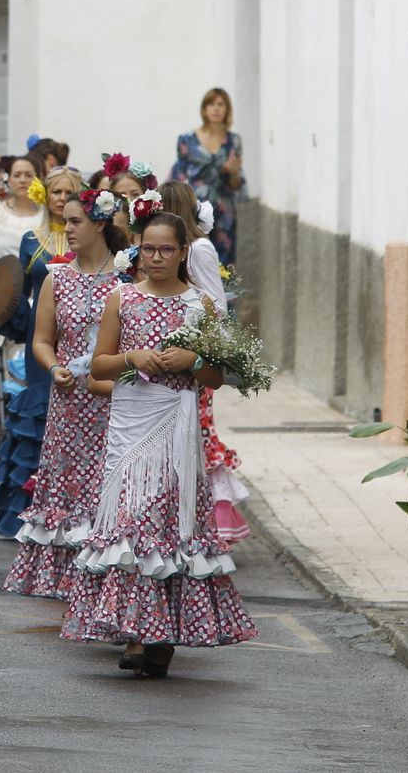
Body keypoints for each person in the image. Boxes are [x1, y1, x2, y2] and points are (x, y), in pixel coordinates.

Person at [63, 212, 257, 675]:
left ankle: (162, 636)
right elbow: (98, 367)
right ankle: (135, 632)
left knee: (167, 525)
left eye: (166, 249)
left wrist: (193, 359)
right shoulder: (122, 297)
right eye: (148, 248)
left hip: (177, 426)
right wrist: (132, 356)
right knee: (129, 524)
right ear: (138, 249)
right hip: (130, 424)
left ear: (183, 252)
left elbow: (215, 379)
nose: (155, 258)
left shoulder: (200, 305)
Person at [4, 190, 128, 600]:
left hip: (116, 399)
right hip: (69, 402)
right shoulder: (57, 277)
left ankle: (104, 573)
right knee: (68, 483)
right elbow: (40, 340)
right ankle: (63, 576)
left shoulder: (127, 278)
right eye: (66, 222)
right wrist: (54, 366)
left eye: (75, 222)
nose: (68, 229)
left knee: (109, 485)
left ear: (100, 224)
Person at [0, 165, 85, 537]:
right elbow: (22, 301)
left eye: (69, 193)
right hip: (38, 340)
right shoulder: (32, 240)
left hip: (80, 334)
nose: (62, 199)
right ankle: (25, 514)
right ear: (45, 196)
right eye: (56, 192)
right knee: (37, 420)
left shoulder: (92, 240)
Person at [160, 180, 249, 543]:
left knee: (195, 435)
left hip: (193, 352)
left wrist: (198, 344)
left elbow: (215, 301)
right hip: (164, 354)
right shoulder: (153, 249)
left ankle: (202, 520)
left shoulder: (199, 248)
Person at [170, 87, 244, 265]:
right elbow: (179, 175)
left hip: (223, 206)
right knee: (192, 254)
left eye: (221, 104)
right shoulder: (187, 139)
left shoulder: (233, 141)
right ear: (204, 109)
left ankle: (222, 293)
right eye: (211, 104)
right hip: (194, 204)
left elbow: (236, 184)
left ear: (227, 109)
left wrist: (233, 172)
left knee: (223, 259)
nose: (216, 108)